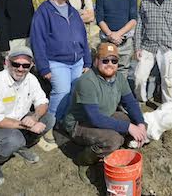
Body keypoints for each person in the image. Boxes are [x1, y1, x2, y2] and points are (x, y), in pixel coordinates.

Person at [62, 43, 147, 183]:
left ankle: (112, 148)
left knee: (139, 123)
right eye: (105, 60)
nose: (110, 64)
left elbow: (131, 102)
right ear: (96, 61)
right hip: (80, 124)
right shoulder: (87, 81)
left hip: (105, 117)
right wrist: (129, 128)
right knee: (113, 140)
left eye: (114, 61)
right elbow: (95, 118)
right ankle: (83, 161)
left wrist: (140, 124)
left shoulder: (119, 77)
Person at [0, 46, 55, 186]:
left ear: (31, 65)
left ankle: (21, 146)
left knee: (49, 119)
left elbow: (42, 102)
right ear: (7, 63)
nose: (20, 69)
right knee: (14, 138)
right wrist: (29, 125)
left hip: (17, 122)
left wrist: (34, 117)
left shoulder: (31, 79)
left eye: (25, 65)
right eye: (16, 64)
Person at [30, 0, 92, 121]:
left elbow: (83, 37)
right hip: (57, 61)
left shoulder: (73, 11)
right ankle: (50, 123)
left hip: (77, 61)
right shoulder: (44, 11)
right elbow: (37, 39)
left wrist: (87, 62)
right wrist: (43, 66)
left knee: (74, 92)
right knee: (61, 91)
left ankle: (64, 120)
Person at [95, 0, 138, 78]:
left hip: (124, 42)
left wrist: (118, 34)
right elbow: (99, 19)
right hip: (106, 41)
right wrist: (110, 35)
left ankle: (119, 95)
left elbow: (133, 20)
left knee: (122, 72)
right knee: (105, 70)